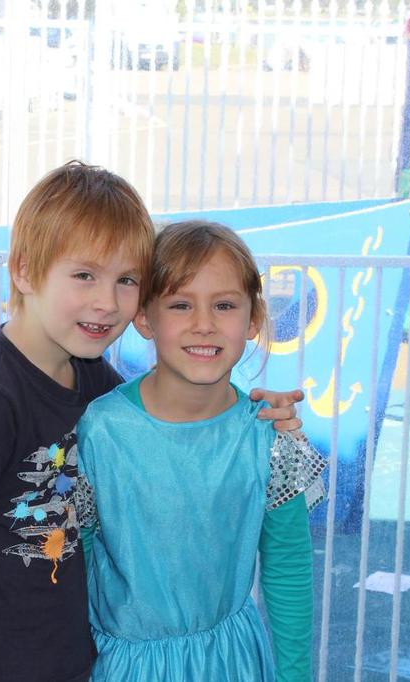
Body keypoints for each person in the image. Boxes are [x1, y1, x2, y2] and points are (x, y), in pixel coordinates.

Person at [0, 162, 305, 682]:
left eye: (126, 280)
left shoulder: (92, 378)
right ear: (25, 271)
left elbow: (163, 414)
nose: (107, 301)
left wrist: (255, 414)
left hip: (75, 661)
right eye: (84, 275)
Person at [75, 220, 326, 681]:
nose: (204, 325)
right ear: (145, 318)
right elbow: (76, 564)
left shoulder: (270, 436)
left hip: (235, 666)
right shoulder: (100, 431)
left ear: (253, 319)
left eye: (225, 305)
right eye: (181, 304)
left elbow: (287, 569)